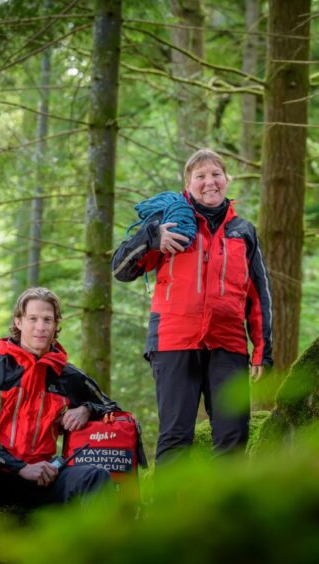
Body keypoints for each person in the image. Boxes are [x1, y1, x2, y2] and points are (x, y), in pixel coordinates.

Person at [112, 148, 273, 463]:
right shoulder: (168, 223)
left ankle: (223, 511)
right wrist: (150, 237)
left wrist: (262, 351)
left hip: (228, 344)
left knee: (233, 436)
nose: (209, 182)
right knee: (176, 436)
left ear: (227, 179)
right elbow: (121, 270)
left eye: (216, 174)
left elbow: (258, 295)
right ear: (188, 184)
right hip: (173, 341)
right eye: (201, 176)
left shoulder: (242, 231)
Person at [0, 287, 121, 531]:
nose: (41, 327)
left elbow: (113, 410)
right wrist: (22, 468)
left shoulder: (69, 376)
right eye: (33, 319)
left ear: (56, 324)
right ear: (18, 322)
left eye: (47, 320)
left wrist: (86, 409)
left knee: (96, 476)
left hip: (44, 481)